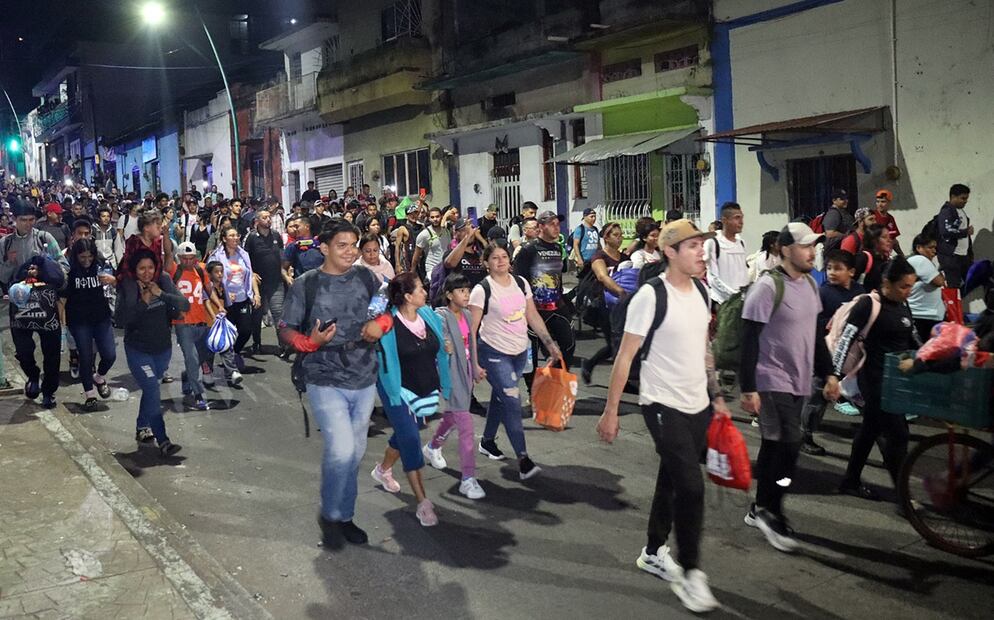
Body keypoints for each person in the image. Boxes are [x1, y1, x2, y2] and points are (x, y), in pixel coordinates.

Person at [596, 219, 729, 614]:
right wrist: (611, 410)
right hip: (660, 404)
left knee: (673, 478)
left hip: (697, 404)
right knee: (692, 487)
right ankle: (691, 574)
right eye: (693, 246)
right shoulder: (650, 297)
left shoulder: (703, 292)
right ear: (670, 252)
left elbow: (704, 349)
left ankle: (653, 551)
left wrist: (717, 396)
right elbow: (624, 357)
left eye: (702, 246)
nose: (702, 252)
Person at [278, 218, 391, 549]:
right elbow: (285, 328)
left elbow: (387, 311)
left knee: (354, 453)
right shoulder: (306, 284)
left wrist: (380, 326)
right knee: (341, 449)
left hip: (364, 374)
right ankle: (329, 515)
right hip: (322, 374)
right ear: (324, 248)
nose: (350, 251)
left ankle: (345, 515)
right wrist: (309, 342)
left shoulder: (367, 278)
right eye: (342, 245)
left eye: (353, 245)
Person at [739, 222, 840, 553]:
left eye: (815, 246)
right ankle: (771, 511)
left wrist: (830, 374)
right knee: (790, 444)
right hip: (771, 379)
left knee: (774, 445)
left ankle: (759, 507)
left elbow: (814, 335)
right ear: (785, 250)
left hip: (799, 379)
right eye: (805, 246)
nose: (813, 252)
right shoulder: (767, 288)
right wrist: (748, 388)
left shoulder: (811, 284)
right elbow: (749, 341)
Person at [472, 241, 561, 478]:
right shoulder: (482, 290)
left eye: (504, 256)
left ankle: (487, 441)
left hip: (520, 351)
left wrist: (550, 345)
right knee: (512, 399)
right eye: (495, 258)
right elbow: (471, 330)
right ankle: (523, 459)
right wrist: (473, 362)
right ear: (486, 263)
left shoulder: (521, 283)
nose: (501, 261)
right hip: (493, 352)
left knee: (501, 398)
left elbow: (532, 315)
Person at [834, 258, 919, 502]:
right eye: (904, 286)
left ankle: (850, 480)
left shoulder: (904, 306)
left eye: (911, 286)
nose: (908, 291)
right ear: (886, 283)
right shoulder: (867, 305)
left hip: (897, 381)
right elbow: (845, 341)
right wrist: (833, 378)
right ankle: (904, 497)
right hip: (874, 380)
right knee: (898, 434)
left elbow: (913, 339)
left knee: (870, 429)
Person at [371, 272, 449, 526]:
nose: (426, 292)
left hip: (423, 387)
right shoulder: (387, 323)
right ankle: (423, 503)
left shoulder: (427, 315)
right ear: (407, 296)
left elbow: (439, 345)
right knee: (412, 440)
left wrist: (445, 346)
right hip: (395, 388)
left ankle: (382, 470)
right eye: (420, 289)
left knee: (407, 433)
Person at [117, 249, 190, 457]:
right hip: (138, 350)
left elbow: (185, 304)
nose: (147, 273)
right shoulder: (129, 287)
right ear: (134, 270)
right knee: (152, 391)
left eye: (150, 267)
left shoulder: (164, 280)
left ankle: (142, 427)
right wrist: (143, 302)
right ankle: (163, 440)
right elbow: (121, 320)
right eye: (142, 268)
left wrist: (161, 294)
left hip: (162, 350)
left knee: (151, 392)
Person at [424, 273, 485, 499]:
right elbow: (435, 339)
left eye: (467, 290)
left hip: (465, 371)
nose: (466, 294)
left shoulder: (468, 315)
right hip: (450, 374)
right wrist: (443, 345)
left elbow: (473, 343)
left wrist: (476, 366)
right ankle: (468, 479)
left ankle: (432, 446)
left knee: (453, 414)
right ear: (449, 295)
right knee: (466, 424)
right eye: (461, 291)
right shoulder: (441, 316)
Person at [800, 249, 864, 456]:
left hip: (853, 355)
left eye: (838, 268)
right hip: (826, 352)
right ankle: (805, 435)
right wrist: (828, 322)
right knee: (817, 396)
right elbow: (811, 321)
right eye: (829, 268)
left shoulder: (861, 293)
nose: (832, 273)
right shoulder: (824, 293)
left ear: (852, 272)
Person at [514, 210, 575, 376]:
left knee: (568, 344)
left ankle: (557, 382)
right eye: (552, 224)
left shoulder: (557, 248)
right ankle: (532, 389)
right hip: (535, 308)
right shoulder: (528, 250)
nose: (557, 228)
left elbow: (558, 277)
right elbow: (519, 281)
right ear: (541, 227)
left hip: (557, 306)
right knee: (531, 354)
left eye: (558, 224)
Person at [62, 239, 117, 411]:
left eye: (90, 256)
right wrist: (62, 322)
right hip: (79, 321)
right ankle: (90, 395)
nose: (87, 260)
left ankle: (99, 377)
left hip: (101, 317)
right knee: (85, 357)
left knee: (109, 355)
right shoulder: (70, 272)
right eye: (82, 257)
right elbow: (62, 299)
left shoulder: (101, 265)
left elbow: (117, 283)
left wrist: (112, 280)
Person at [8, 256, 65, 408]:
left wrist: (47, 266)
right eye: (30, 268)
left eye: (34, 268)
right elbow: (4, 272)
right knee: (23, 351)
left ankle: (48, 392)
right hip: (21, 316)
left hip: (48, 317)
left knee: (52, 356)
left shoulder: (46, 238)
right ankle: (33, 376)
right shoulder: (7, 243)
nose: (32, 271)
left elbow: (63, 270)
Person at [580, 222, 626, 384]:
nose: (619, 238)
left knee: (621, 343)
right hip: (604, 305)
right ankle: (591, 364)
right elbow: (602, 277)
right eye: (615, 235)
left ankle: (624, 378)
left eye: (621, 235)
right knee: (614, 344)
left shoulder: (625, 258)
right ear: (606, 237)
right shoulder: (599, 257)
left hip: (622, 306)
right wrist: (620, 291)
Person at [170, 242, 212, 410]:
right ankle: (198, 394)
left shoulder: (201, 270)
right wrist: (165, 235)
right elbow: (166, 254)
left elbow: (209, 291)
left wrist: (220, 308)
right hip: (183, 323)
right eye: (184, 258)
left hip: (201, 321)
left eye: (191, 258)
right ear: (179, 258)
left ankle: (188, 375)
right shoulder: (174, 271)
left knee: (201, 357)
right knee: (192, 358)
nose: (188, 261)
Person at [243, 208, 286, 355]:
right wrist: (252, 273)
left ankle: (283, 346)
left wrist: (285, 272)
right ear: (257, 221)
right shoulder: (251, 238)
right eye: (264, 217)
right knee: (257, 315)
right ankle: (257, 342)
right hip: (258, 284)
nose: (268, 219)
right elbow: (245, 259)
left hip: (276, 282)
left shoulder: (276, 236)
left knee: (278, 313)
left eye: (269, 217)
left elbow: (281, 256)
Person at [0, 197, 65, 289]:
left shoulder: (44, 238)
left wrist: (43, 270)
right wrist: (10, 263)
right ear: (14, 219)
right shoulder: (5, 243)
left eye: (31, 220)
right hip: (17, 297)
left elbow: (64, 265)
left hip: (44, 296)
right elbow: (3, 278)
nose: (28, 224)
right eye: (23, 220)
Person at [203, 261, 243, 386]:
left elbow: (227, 305)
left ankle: (232, 372)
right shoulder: (207, 286)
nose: (220, 274)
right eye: (216, 272)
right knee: (209, 350)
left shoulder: (223, 286)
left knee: (226, 347)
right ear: (209, 274)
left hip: (221, 322)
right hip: (210, 323)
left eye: (221, 271)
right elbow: (206, 302)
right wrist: (212, 316)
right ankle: (207, 373)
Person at [704, 202, 749, 307]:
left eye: (742, 218)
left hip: (741, 302)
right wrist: (733, 295)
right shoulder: (713, 243)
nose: (741, 222)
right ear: (724, 220)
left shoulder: (741, 243)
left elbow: (743, 272)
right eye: (737, 218)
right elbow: (713, 278)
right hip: (722, 303)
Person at [907, 233, 946, 342]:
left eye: (935, 247)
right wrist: (942, 275)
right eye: (930, 247)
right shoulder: (920, 260)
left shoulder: (918, 261)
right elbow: (939, 281)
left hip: (924, 315)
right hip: (924, 317)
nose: (934, 251)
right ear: (919, 248)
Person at [935, 183, 973, 288]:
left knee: (966, 284)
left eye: (966, 199)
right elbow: (946, 231)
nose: (965, 201)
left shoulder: (960, 211)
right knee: (953, 286)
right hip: (951, 257)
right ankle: (952, 304)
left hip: (963, 256)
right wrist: (965, 232)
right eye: (962, 198)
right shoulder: (947, 211)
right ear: (953, 197)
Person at [443, 218, 487, 287]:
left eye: (471, 229)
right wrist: (467, 236)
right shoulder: (450, 253)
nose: (469, 232)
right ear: (456, 234)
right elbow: (450, 263)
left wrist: (481, 239)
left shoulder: (480, 255)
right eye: (464, 230)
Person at [412, 206, 451, 280]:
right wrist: (412, 272)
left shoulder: (446, 232)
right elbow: (416, 256)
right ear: (429, 218)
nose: (435, 219)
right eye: (432, 217)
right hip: (432, 269)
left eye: (437, 216)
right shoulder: (424, 234)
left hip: (446, 269)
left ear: (441, 217)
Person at [820, 189, 853, 253]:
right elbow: (830, 233)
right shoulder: (833, 213)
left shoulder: (842, 211)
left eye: (846, 198)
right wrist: (847, 236)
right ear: (834, 201)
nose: (846, 201)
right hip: (835, 251)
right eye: (842, 199)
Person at [872, 189, 903, 255]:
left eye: (883, 202)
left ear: (889, 203)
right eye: (877, 202)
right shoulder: (871, 216)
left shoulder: (890, 218)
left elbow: (893, 240)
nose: (879, 204)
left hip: (885, 254)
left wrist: (902, 256)